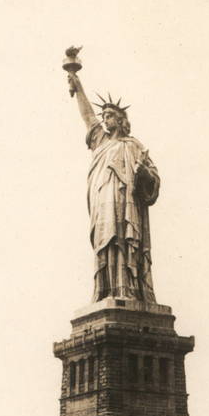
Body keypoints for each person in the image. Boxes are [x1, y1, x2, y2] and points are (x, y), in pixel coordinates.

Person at [67, 69, 160, 303]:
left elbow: (154, 180)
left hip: (126, 203)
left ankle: (128, 290)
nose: (105, 119)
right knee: (106, 243)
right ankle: (106, 290)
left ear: (120, 120)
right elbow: (88, 116)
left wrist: (143, 174)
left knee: (126, 243)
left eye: (110, 115)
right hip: (103, 203)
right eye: (104, 115)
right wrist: (77, 84)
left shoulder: (134, 146)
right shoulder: (100, 141)